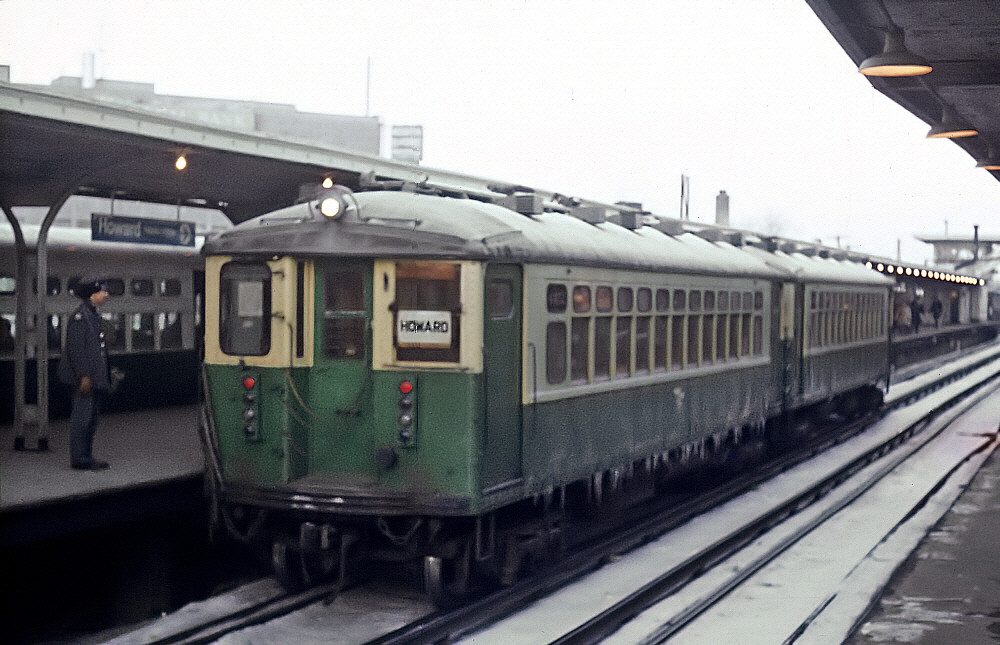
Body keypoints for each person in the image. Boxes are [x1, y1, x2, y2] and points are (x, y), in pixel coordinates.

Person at [60, 279, 112, 470]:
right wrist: (84, 376)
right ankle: (80, 458)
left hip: (93, 378)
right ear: (92, 294)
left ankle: (86, 456)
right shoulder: (80, 317)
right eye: (103, 291)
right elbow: (76, 350)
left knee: (91, 418)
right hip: (84, 379)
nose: (107, 295)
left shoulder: (91, 315)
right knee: (82, 418)